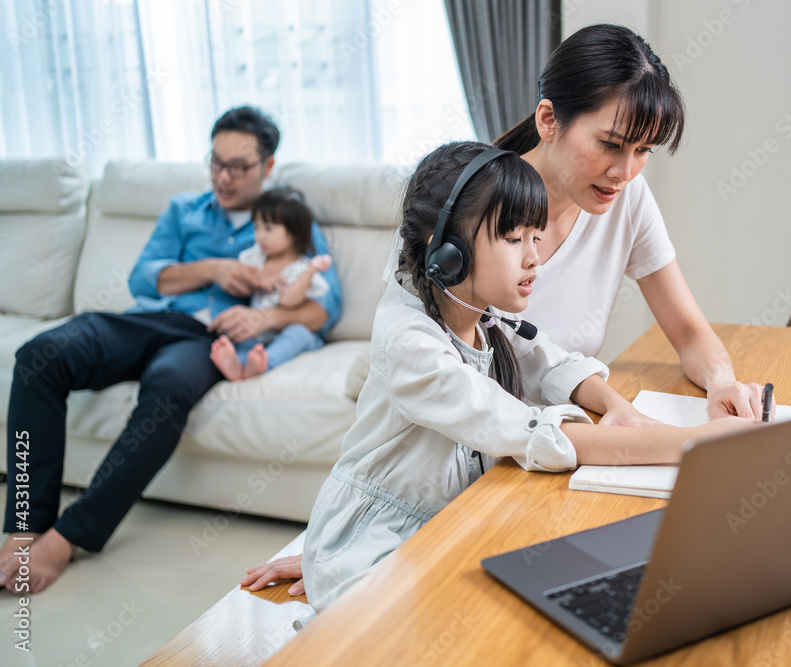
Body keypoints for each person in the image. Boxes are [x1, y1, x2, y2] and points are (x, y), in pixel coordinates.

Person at [240, 142, 756, 608]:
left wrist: (619, 408)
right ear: (447, 251)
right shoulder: (410, 342)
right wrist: (696, 443)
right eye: (514, 239)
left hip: (455, 518)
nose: (534, 258)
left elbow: (550, 362)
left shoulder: (483, 315)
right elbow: (523, 430)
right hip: (379, 537)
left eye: (536, 235)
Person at [0, 106, 341, 593]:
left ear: (268, 167)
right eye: (215, 162)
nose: (223, 177)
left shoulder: (288, 216)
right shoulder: (185, 209)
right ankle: (25, 528)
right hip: (147, 319)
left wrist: (265, 317)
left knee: (169, 387)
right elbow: (143, 276)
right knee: (39, 354)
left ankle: (67, 537)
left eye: (238, 167)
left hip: (205, 340)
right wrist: (213, 268)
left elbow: (325, 307)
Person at [493, 24, 769, 419]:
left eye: (643, 149)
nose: (625, 172)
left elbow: (690, 332)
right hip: (475, 456)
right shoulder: (473, 204)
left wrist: (722, 383)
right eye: (610, 144)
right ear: (549, 120)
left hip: (558, 435)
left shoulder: (625, 199)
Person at [210, 186, 334, 381]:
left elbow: (288, 301)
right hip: (260, 331)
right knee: (245, 337)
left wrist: (310, 271)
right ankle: (238, 366)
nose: (260, 235)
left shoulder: (301, 267)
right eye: (257, 227)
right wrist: (258, 279)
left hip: (293, 330)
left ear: (294, 232)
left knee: (297, 334)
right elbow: (241, 277)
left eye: (268, 228)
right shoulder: (256, 258)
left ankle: (265, 363)